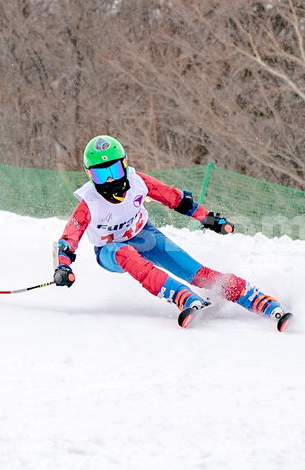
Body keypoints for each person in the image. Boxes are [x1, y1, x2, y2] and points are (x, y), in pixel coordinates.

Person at [53, 135, 292, 330]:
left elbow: (176, 200)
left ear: (124, 164)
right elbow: (68, 240)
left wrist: (209, 219)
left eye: (114, 170)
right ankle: (182, 296)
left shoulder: (139, 183)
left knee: (196, 272)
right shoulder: (89, 202)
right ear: (89, 175)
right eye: (100, 174)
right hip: (109, 251)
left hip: (145, 236)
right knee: (125, 253)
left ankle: (257, 299)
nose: (110, 180)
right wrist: (63, 267)